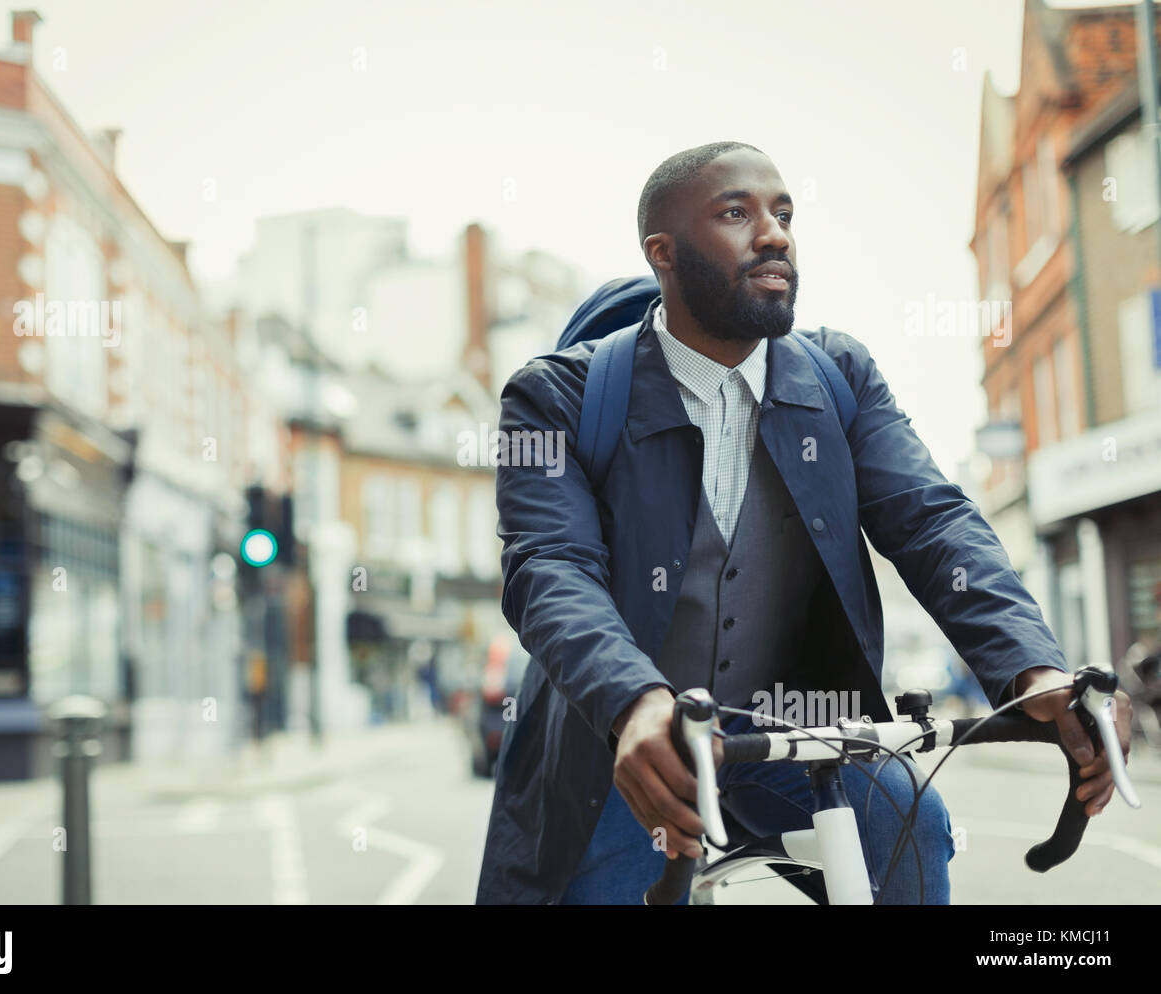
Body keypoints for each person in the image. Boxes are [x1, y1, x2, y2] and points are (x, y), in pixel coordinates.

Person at [474, 141, 1134, 905]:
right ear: (663, 252)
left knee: (907, 833)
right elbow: (548, 568)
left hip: (796, 730)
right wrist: (635, 703)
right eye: (736, 213)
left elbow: (932, 524)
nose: (775, 232)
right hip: (622, 742)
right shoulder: (553, 397)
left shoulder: (838, 376)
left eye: (783, 213)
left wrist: (1035, 670)